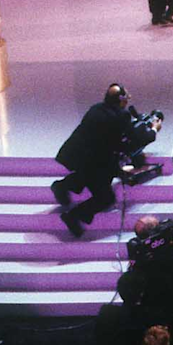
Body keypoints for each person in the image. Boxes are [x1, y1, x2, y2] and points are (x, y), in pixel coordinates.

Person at [52, 84, 160, 237]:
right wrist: (154, 129)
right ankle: (74, 216)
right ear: (121, 100)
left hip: (78, 156)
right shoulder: (121, 116)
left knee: (84, 176)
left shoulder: (95, 108)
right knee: (105, 197)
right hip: (96, 162)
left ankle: (61, 187)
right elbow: (136, 137)